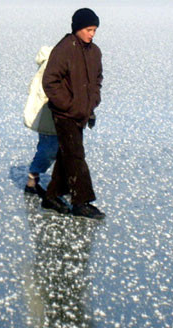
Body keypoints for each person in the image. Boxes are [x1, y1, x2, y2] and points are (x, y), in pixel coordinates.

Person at [41, 8, 105, 219]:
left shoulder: (94, 52)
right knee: (76, 156)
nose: (92, 34)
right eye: (88, 29)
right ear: (78, 28)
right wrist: (68, 105)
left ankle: (51, 196)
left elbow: (97, 80)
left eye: (94, 30)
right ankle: (81, 202)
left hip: (82, 113)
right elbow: (50, 81)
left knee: (66, 154)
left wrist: (92, 103)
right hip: (65, 114)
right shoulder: (64, 49)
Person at [23, 46, 58, 198]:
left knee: (64, 151)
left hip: (60, 114)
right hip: (48, 115)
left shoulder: (58, 62)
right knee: (49, 148)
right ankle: (32, 179)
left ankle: (64, 183)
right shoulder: (50, 65)